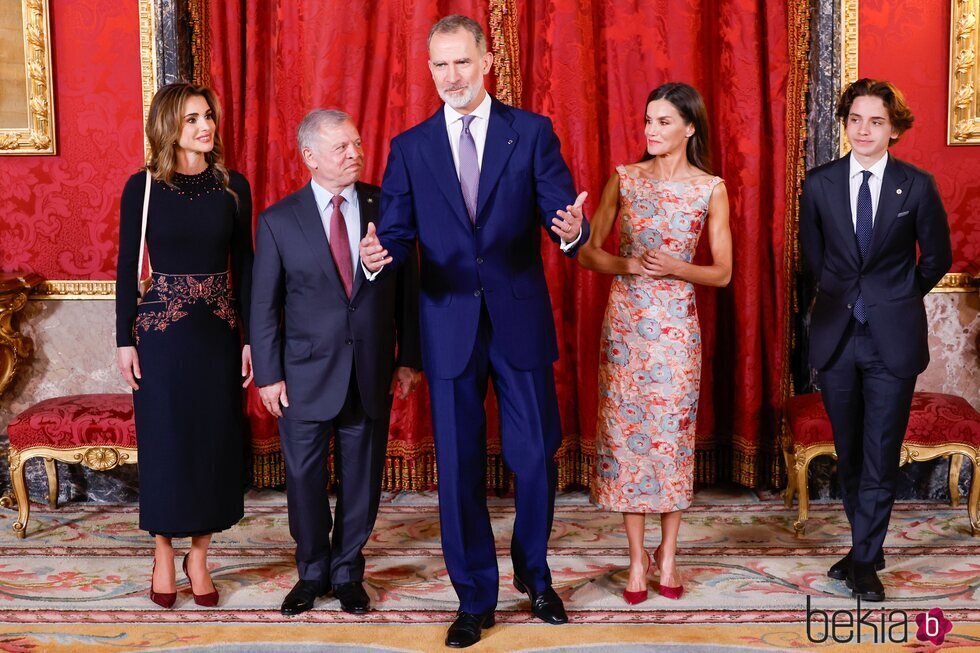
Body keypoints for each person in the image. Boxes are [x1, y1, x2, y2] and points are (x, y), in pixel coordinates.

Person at [359, 14, 589, 648]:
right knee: (458, 467)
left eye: (462, 62)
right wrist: (382, 257)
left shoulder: (532, 132)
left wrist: (571, 232)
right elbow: (399, 232)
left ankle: (535, 578)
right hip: (448, 320)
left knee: (535, 455)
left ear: (486, 61)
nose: (451, 76)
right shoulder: (410, 147)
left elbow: (559, 212)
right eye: (440, 65)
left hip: (518, 316)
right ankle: (474, 597)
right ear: (429, 70)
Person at [250, 109, 422, 617]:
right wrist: (269, 374)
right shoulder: (280, 220)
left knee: (362, 478)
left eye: (357, 144)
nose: (355, 153)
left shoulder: (386, 207)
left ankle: (348, 572)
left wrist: (407, 358)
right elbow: (264, 306)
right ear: (310, 157)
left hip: (369, 370)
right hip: (302, 375)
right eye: (342, 147)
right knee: (303, 480)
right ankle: (311, 571)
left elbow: (408, 290)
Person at [798, 79, 951, 602]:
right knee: (851, 453)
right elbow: (814, 259)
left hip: (892, 338)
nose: (864, 130)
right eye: (855, 119)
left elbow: (935, 259)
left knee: (881, 451)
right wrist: (844, 298)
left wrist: (894, 298)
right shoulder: (818, 184)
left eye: (876, 121)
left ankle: (863, 562)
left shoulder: (918, 185)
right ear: (845, 123)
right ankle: (869, 545)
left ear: (894, 128)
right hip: (837, 337)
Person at [579, 83, 731, 605]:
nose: (651, 130)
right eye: (648, 120)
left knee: (670, 441)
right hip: (625, 326)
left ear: (690, 127)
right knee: (627, 441)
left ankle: (668, 554)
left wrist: (676, 268)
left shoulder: (710, 187)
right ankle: (636, 560)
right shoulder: (624, 179)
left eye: (664, 121)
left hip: (675, 332)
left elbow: (723, 273)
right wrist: (627, 264)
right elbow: (588, 253)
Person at [115, 82, 253, 609]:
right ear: (168, 126)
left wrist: (250, 340)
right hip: (162, 335)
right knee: (167, 441)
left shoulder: (232, 186)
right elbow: (128, 266)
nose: (206, 126)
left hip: (218, 331)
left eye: (208, 117)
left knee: (212, 442)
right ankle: (163, 552)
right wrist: (124, 339)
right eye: (193, 118)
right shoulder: (143, 187)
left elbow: (248, 265)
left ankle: (200, 553)